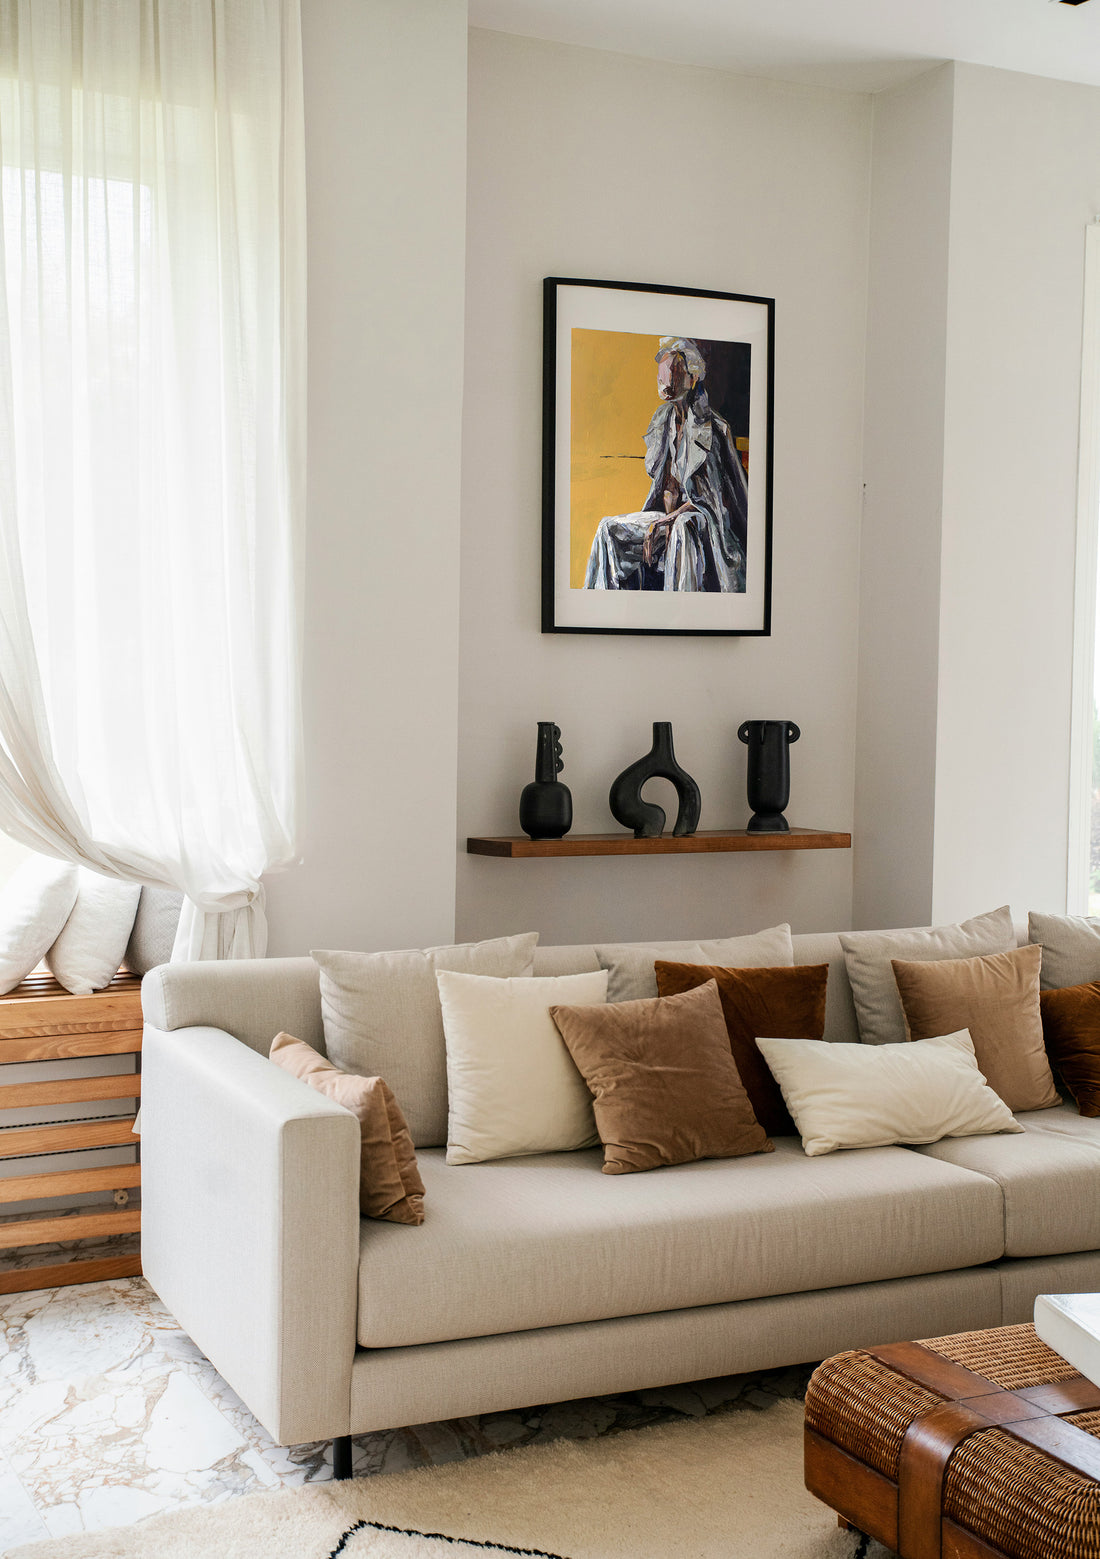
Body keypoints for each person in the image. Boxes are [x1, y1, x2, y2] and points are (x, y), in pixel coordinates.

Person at [583, 337, 748, 593]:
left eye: (674, 373)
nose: (666, 382)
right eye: (663, 374)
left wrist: (668, 521)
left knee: (682, 528)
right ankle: (600, 609)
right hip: (668, 515)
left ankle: (679, 615)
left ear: (692, 378)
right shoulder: (662, 422)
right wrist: (661, 521)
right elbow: (664, 489)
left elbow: (711, 501)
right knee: (608, 529)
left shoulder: (712, 428)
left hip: (704, 522)